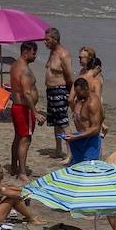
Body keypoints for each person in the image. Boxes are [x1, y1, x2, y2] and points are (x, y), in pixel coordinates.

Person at [9, 42, 41, 178]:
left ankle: (14, 166)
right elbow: (27, 93)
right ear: (25, 52)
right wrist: (35, 112)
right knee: (25, 139)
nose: (35, 56)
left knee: (18, 137)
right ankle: (22, 172)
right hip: (24, 109)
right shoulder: (25, 70)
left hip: (16, 107)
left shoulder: (15, 66)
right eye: (34, 53)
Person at [42, 28, 72, 159]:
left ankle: (70, 153)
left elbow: (70, 77)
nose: (45, 42)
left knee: (63, 123)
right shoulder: (52, 52)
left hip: (60, 90)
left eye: (47, 39)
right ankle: (58, 149)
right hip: (51, 91)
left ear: (55, 39)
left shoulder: (63, 54)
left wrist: (71, 95)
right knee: (55, 123)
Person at [65, 76, 104, 165]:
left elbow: (96, 128)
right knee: (76, 168)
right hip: (79, 138)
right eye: (76, 92)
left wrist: (75, 137)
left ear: (86, 89)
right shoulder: (81, 99)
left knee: (89, 170)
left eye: (79, 93)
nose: (77, 95)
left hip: (90, 140)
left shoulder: (92, 103)